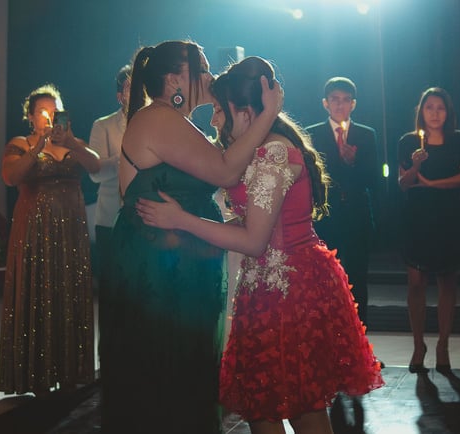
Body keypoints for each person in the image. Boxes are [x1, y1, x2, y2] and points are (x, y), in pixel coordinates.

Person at [135, 55, 383, 434]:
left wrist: (182, 220)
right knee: (261, 407)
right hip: (264, 288)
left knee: (302, 408)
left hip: (291, 290)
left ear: (246, 112)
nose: (214, 120)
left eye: (220, 110)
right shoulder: (260, 149)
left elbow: (253, 240)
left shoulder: (274, 154)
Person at [100, 40, 282, 434]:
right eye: (200, 67)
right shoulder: (158, 118)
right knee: (165, 374)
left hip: (178, 267)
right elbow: (225, 172)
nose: (209, 74)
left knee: (182, 372)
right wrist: (268, 116)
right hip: (158, 273)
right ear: (173, 80)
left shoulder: (176, 123)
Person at [0, 83, 102, 396]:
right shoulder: (21, 142)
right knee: (38, 291)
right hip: (36, 231)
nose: (49, 116)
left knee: (68, 290)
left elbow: (95, 166)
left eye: (54, 110)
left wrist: (71, 142)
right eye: (43, 111)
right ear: (30, 116)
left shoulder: (72, 142)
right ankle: (37, 375)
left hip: (70, 229)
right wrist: (38, 146)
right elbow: (11, 177)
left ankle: (70, 372)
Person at [396, 87, 460, 374]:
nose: (435, 113)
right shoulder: (408, 142)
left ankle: (443, 344)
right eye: (429, 107)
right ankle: (419, 344)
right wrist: (416, 166)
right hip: (417, 218)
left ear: (448, 112)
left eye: (440, 107)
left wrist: (432, 184)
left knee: (447, 282)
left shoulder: (459, 140)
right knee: (416, 282)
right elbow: (403, 183)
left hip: (448, 216)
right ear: (422, 111)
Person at [306, 77, 380, 328]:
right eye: (335, 100)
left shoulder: (366, 135)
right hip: (327, 218)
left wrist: (353, 162)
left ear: (353, 104)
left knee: (358, 280)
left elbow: (375, 181)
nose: (340, 105)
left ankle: (361, 345)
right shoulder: (312, 134)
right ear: (325, 103)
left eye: (346, 100)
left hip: (358, 217)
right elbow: (310, 179)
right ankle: (328, 341)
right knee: (325, 280)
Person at [87, 64, 130, 283]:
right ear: (120, 96)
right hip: (110, 216)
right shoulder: (103, 125)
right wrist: (124, 158)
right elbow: (95, 174)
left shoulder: (157, 123)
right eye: (131, 87)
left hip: (147, 217)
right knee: (111, 287)